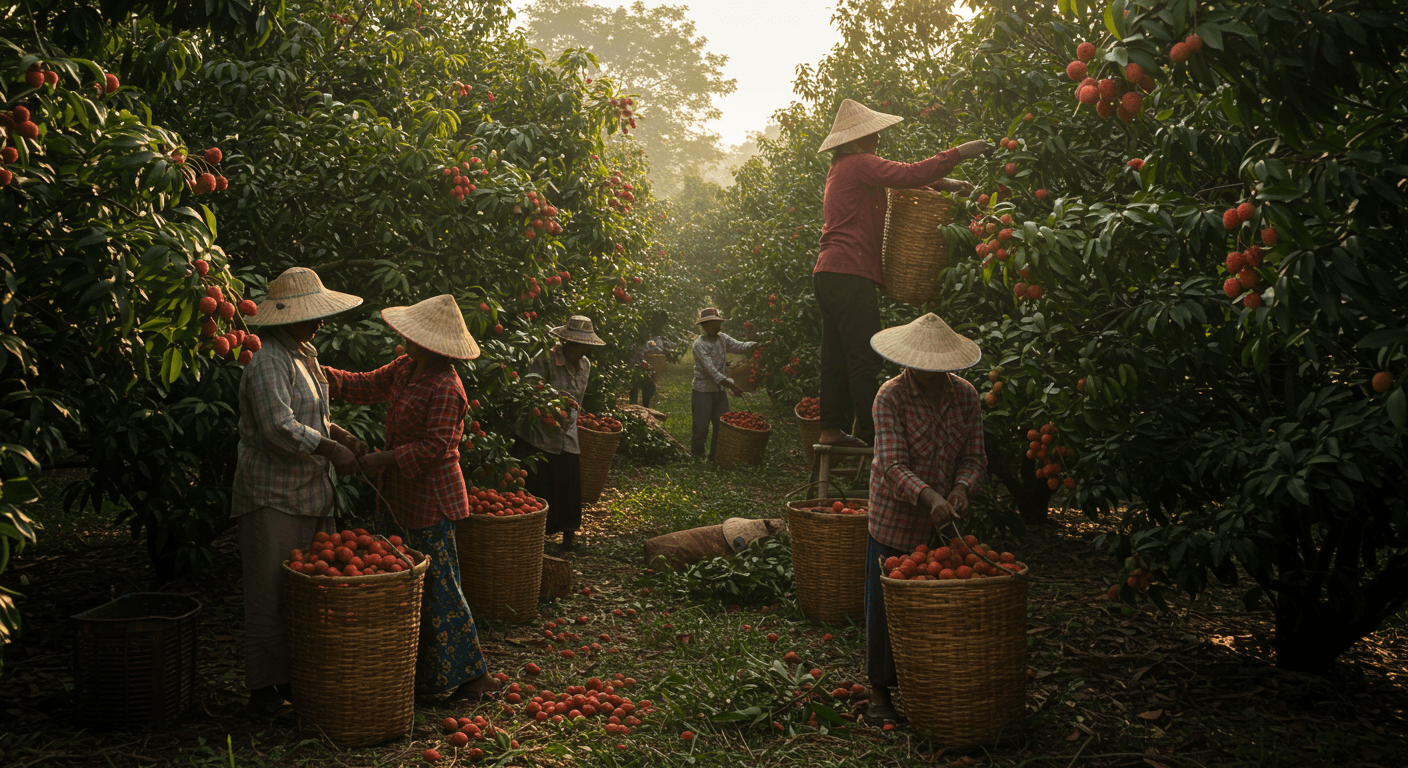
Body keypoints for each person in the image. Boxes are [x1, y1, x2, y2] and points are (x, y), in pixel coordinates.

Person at [321, 294, 493, 702]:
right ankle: (423, 674)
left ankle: (473, 676)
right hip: (399, 495)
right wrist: (316, 370)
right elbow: (365, 385)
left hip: (431, 499)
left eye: (413, 337)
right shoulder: (405, 367)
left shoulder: (447, 387)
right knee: (407, 583)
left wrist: (382, 458)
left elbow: (436, 447)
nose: (405, 340)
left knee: (439, 585)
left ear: (432, 345)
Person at [813, 98, 992, 447]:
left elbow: (900, 182)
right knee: (864, 358)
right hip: (850, 273)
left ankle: (831, 429)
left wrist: (947, 183)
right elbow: (907, 173)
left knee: (835, 356)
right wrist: (958, 153)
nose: (878, 137)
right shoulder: (860, 162)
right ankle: (872, 438)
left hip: (828, 272)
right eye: (873, 132)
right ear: (858, 138)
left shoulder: (842, 166)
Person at [233, 266, 365, 719]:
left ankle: (296, 678)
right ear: (287, 317)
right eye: (311, 315)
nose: (320, 322)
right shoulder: (267, 360)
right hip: (272, 495)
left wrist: (341, 435)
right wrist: (330, 448)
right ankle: (263, 690)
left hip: (310, 492)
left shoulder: (303, 354)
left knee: (306, 591)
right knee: (270, 593)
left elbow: (311, 416)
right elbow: (278, 427)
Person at [863, 313, 987, 725]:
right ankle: (880, 692)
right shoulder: (890, 397)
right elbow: (891, 465)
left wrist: (962, 488)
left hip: (943, 523)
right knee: (886, 607)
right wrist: (930, 495)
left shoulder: (966, 395)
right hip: (894, 517)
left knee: (935, 609)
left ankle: (928, 687)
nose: (931, 372)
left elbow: (975, 457)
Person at [514, 315, 606, 551]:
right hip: (541, 432)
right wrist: (551, 407)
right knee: (542, 483)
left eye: (587, 346)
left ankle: (568, 537)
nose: (585, 350)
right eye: (581, 345)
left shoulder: (585, 366)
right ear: (569, 343)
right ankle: (536, 538)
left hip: (568, 431)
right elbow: (531, 391)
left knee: (569, 482)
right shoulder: (545, 359)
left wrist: (578, 416)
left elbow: (578, 399)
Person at [690, 307, 757, 462]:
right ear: (705, 326)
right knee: (701, 426)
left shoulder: (722, 338)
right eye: (714, 323)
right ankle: (697, 456)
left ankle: (715, 457)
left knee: (722, 425)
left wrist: (757, 345)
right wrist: (732, 385)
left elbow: (740, 346)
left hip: (719, 391)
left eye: (718, 322)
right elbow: (711, 372)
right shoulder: (699, 345)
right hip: (702, 391)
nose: (718, 326)